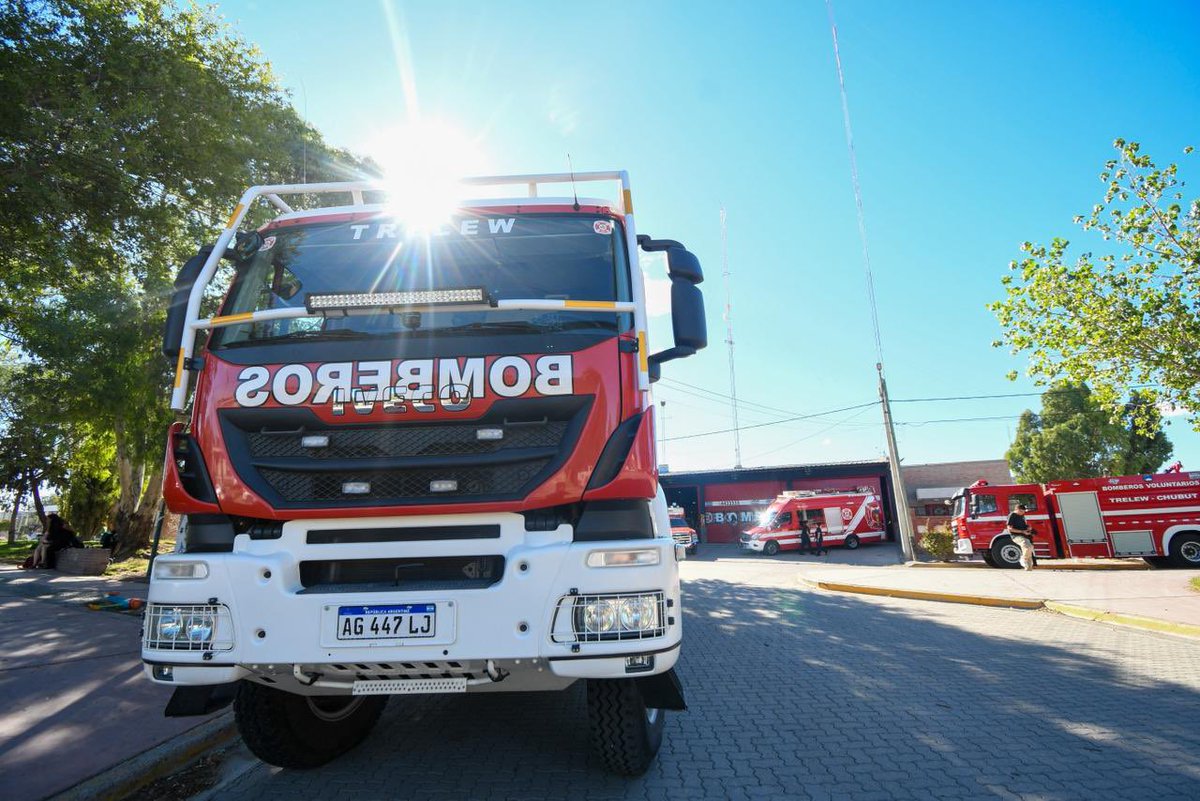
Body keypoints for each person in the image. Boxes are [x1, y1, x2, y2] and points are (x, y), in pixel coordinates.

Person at [1006, 503, 1036, 571]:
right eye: (1022, 511)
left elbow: (1023, 525)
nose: (1023, 513)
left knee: (1030, 548)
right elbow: (1010, 529)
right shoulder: (1012, 515)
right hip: (1016, 536)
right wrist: (1022, 532)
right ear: (1017, 510)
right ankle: (1023, 559)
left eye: (1024, 512)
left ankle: (1028, 566)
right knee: (1027, 546)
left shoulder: (1022, 516)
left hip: (1024, 535)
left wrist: (1028, 527)